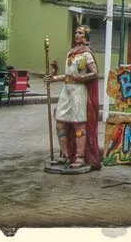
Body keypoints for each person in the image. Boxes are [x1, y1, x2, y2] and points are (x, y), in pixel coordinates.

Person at [44, 25, 101, 170]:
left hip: (78, 92)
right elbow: (68, 75)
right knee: (60, 123)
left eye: (80, 33)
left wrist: (81, 77)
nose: (77, 35)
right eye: (76, 32)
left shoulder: (86, 54)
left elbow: (95, 73)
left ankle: (80, 157)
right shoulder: (71, 53)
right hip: (66, 91)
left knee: (78, 124)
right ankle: (66, 155)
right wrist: (54, 78)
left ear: (86, 37)